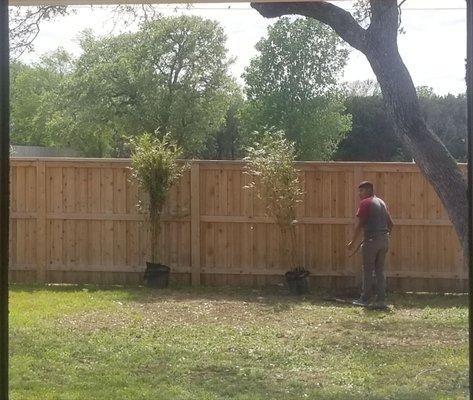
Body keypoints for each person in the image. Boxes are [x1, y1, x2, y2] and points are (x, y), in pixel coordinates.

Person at [347, 181, 394, 309]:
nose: (359, 194)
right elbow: (391, 224)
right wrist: (385, 236)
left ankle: (365, 299)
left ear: (368, 190)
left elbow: (360, 224)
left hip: (372, 241)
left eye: (361, 191)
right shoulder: (382, 203)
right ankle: (381, 299)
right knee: (380, 270)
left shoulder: (366, 203)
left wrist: (352, 242)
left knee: (367, 270)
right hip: (384, 240)